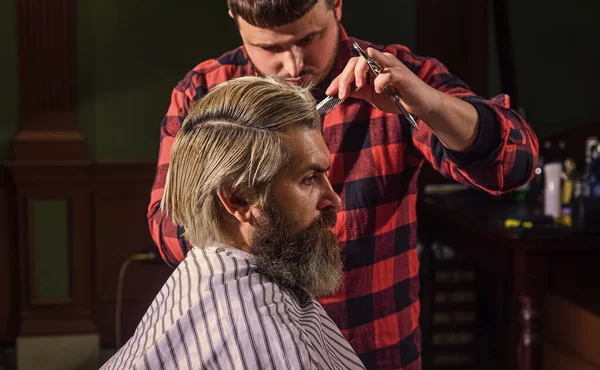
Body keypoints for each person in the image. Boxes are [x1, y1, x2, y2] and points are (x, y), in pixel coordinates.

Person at [147, 1, 539, 368]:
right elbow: (169, 228)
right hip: (249, 346)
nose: (293, 65)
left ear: (335, 3)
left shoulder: (396, 77)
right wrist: (273, 227)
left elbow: (513, 164)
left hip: (375, 347)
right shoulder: (204, 94)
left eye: (308, 39)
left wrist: (431, 105)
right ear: (235, 15)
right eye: (269, 47)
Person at [104, 76, 365, 370]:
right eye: (308, 179)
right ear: (239, 200)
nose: (333, 199)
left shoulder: (208, 271)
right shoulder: (262, 332)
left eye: (324, 176)